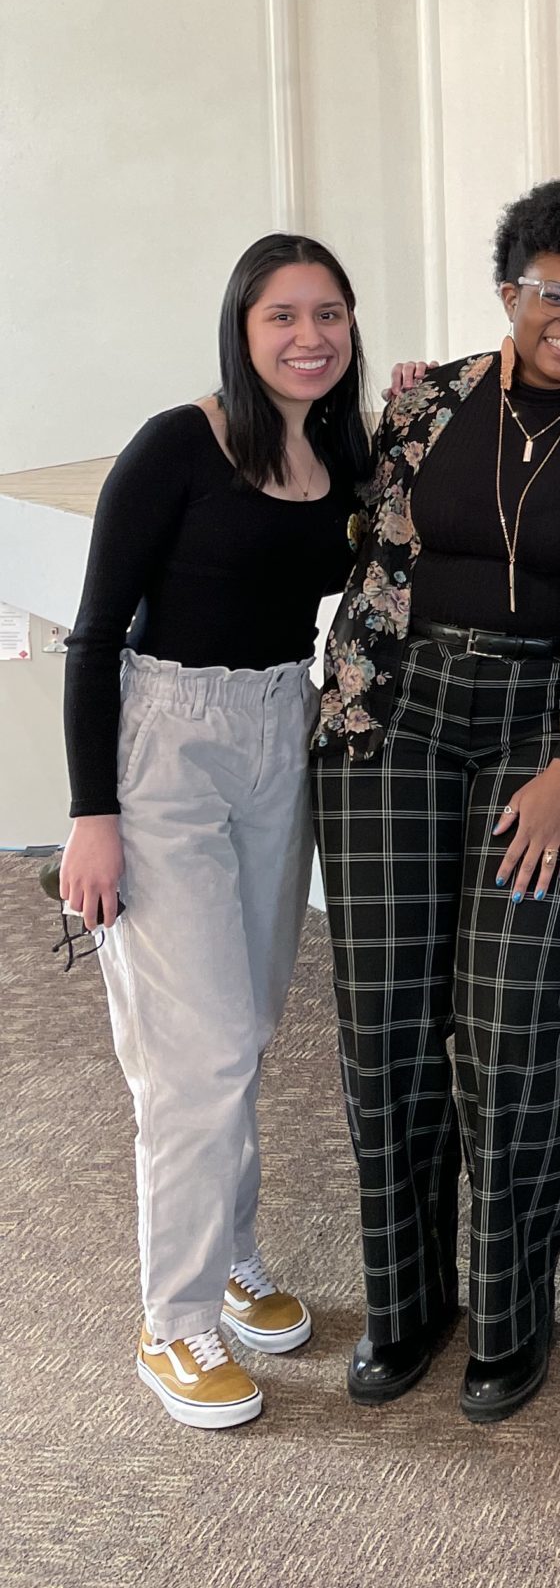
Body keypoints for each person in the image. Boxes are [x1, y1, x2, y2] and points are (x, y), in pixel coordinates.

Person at [311, 179, 560, 1424]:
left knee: (511, 1027)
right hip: (391, 723)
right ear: (508, 287)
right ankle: (406, 1302)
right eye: (551, 291)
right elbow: (343, 527)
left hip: (546, 729)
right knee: (386, 1030)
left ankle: (510, 1315)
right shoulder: (422, 400)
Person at [59, 233, 371, 1428]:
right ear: (240, 327)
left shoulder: (342, 446)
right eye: (283, 315)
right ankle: (174, 1318)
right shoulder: (177, 445)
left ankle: (232, 1249)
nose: (309, 337)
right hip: (166, 739)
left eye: (330, 314)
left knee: (243, 1022)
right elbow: (94, 637)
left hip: (275, 725)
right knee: (193, 1050)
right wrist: (92, 815)